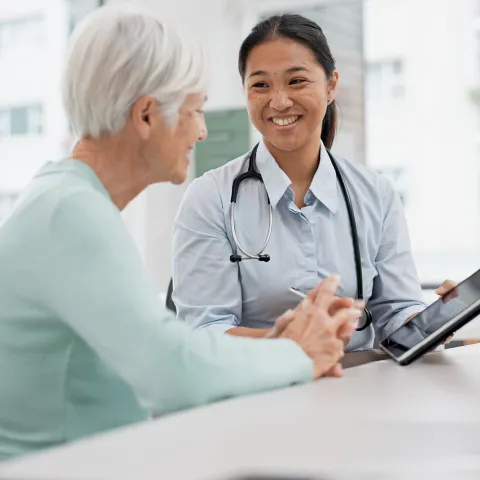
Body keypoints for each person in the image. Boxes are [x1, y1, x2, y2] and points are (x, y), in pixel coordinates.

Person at [0, 6, 361, 461]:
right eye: (195, 109)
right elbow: (172, 373)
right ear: (147, 115)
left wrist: (278, 344)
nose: (203, 131)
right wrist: (299, 354)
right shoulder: (70, 213)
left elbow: (165, 347)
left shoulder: (67, 201)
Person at [172, 13, 453, 349]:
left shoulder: (376, 194)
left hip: (354, 389)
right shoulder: (210, 198)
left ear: (331, 85)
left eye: (296, 81)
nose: (279, 101)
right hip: (256, 392)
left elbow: (397, 314)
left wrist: (434, 322)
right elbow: (202, 331)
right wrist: (291, 343)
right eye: (261, 84)